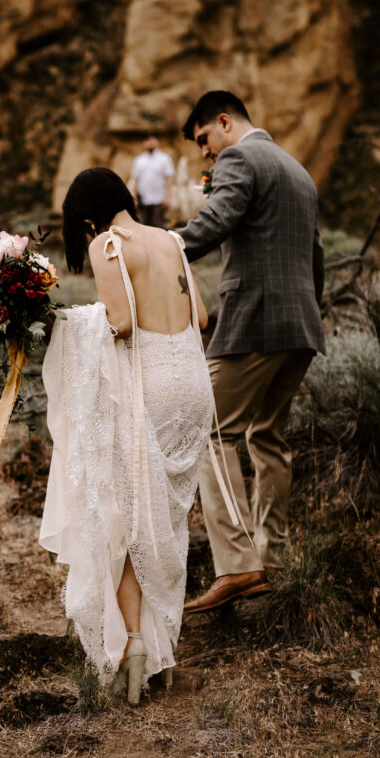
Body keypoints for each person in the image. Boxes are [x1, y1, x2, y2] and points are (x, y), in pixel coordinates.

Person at [40, 167, 212, 704]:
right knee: (163, 522)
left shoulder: (109, 245)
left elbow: (119, 322)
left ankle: (136, 643)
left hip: (152, 385)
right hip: (193, 386)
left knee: (126, 516)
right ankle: (155, 648)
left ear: (88, 219)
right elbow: (201, 317)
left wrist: (64, 324)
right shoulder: (173, 241)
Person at [177, 91, 326, 614]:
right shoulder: (297, 169)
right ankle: (275, 559)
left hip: (256, 323)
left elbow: (212, 224)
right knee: (267, 437)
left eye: (203, 140)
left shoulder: (241, 158)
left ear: (223, 122)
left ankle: (240, 567)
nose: (204, 154)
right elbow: (316, 255)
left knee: (208, 426)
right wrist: (310, 315)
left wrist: (154, 246)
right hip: (301, 327)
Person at [129, 136, 175, 228]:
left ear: (157, 141)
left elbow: (169, 179)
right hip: (143, 200)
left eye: (152, 140)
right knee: (142, 226)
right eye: (147, 140)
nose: (150, 143)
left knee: (159, 226)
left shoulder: (164, 159)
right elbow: (135, 180)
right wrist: (134, 198)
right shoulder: (139, 160)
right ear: (144, 143)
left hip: (159, 199)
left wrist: (167, 197)